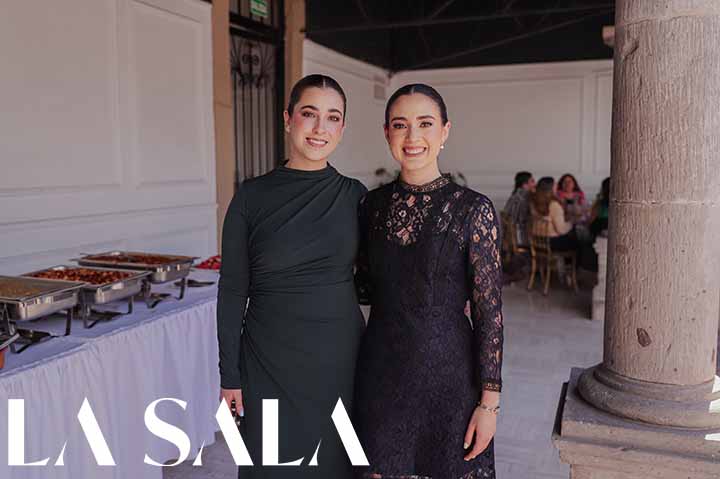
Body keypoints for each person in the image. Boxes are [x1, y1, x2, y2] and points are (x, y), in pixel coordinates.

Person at [217, 74, 367, 479]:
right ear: (288, 119)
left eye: (332, 118)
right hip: (267, 360)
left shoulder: (355, 196)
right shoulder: (251, 196)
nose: (320, 128)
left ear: (342, 128)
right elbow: (232, 291)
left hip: (340, 360)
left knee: (335, 466)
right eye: (309, 114)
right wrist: (229, 375)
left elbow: (382, 280)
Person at [354, 84, 503, 479]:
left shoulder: (473, 209)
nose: (412, 136)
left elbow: (489, 315)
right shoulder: (371, 206)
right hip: (381, 375)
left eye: (425, 124)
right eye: (400, 125)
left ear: (445, 131)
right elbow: (362, 287)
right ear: (386, 132)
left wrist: (488, 404)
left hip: (449, 379)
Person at [530, 177, 578, 253]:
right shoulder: (553, 205)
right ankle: (574, 260)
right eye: (555, 186)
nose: (557, 187)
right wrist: (571, 223)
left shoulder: (533, 203)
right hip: (551, 243)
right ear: (550, 189)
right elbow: (561, 230)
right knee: (579, 240)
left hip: (536, 240)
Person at [503, 171, 535, 246]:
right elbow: (522, 219)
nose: (535, 184)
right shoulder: (523, 198)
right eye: (532, 181)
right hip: (520, 237)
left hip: (512, 235)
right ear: (525, 185)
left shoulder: (514, 195)